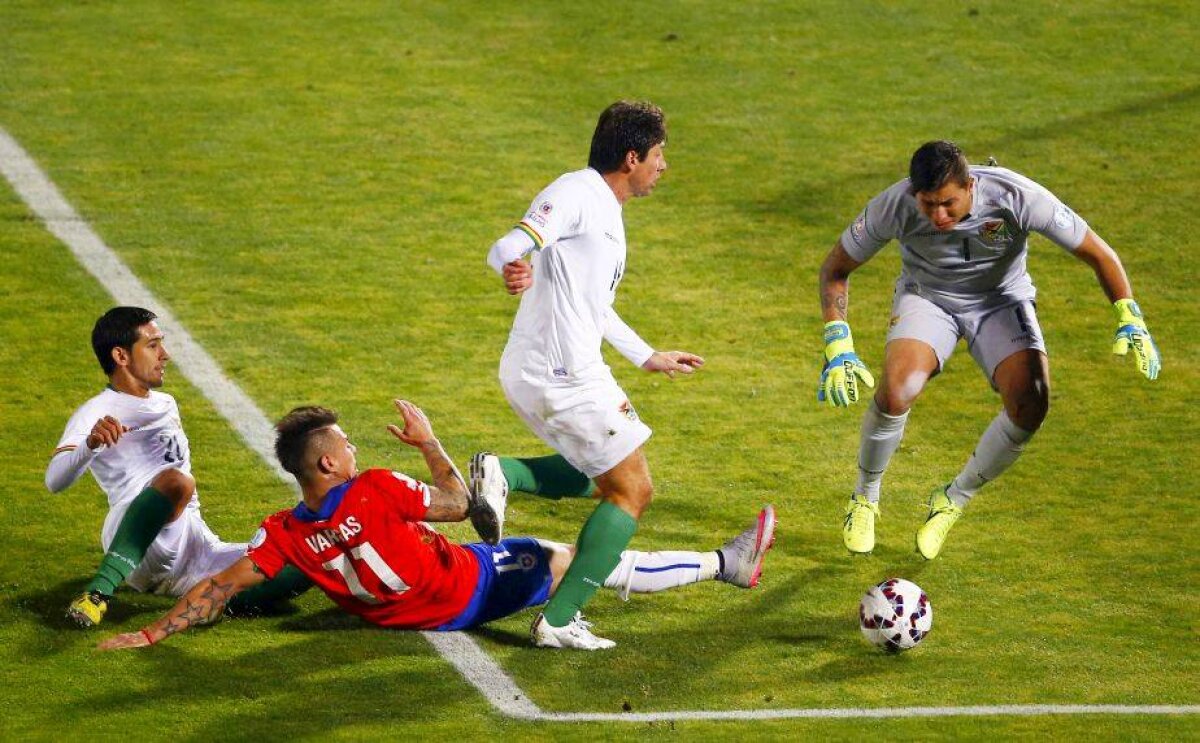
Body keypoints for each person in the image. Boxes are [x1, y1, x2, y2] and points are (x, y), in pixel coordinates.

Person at [96, 402, 775, 651]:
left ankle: (718, 562)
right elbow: (460, 501)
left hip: (396, 615)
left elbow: (220, 585)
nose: (356, 449)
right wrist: (426, 442)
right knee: (573, 557)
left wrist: (151, 630)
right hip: (465, 588)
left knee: (540, 544)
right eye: (348, 444)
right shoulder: (378, 487)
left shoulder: (285, 534)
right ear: (330, 462)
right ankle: (726, 563)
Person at [817, 141, 1161, 559]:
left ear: (971, 185)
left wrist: (1130, 315)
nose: (938, 216)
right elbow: (836, 268)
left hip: (1001, 300)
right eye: (928, 205)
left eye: (948, 204)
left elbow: (1098, 253)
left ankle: (953, 499)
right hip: (929, 299)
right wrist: (838, 344)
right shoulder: (894, 205)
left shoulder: (1018, 197)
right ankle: (865, 498)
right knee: (895, 391)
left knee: (1032, 402)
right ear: (914, 194)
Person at [481, 100, 718, 649]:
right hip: (561, 374)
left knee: (604, 476)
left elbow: (594, 305)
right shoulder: (577, 193)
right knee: (632, 490)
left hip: (557, 369)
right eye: (658, 155)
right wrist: (512, 268)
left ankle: (504, 474)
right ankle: (559, 620)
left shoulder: (604, 210)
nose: (663, 166)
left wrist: (647, 355)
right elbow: (507, 246)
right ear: (631, 157)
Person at [47, 306, 311, 626]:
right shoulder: (96, 412)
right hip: (139, 540)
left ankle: (205, 597)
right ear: (121, 356)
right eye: (153, 345)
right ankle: (98, 592)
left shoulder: (165, 403)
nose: (165, 354)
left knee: (307, 557)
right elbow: (55, 480)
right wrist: (89, 445)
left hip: (193, 545)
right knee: (179, 481)